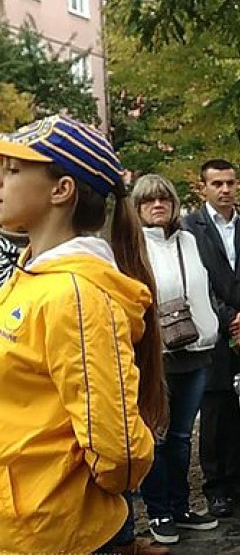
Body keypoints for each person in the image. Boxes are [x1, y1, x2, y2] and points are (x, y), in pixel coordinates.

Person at [0, 115, 165, 554]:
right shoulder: (32, 277)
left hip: (55, 531)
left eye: (13, 171)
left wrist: (71, 493)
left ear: (61, 190)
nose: (1, 179)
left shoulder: (76, 294)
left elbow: (120, 450)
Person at [132, 174, 220, 544]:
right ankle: (159, 511)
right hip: (156, 356)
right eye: (149, 201)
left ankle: (181, 506)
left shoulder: (190, 240)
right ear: (137, 209)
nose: (157, 206)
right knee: (157, 437)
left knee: (183, 437)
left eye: (163, 200)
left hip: (197, 348)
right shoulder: (132, 247)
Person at [183, 159, 240, 518]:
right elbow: (196, 281)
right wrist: (231, 317)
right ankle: (215, 486)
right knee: (216, 414)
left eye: (230, 182)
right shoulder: (189, 230)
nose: (225, 189)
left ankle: (237, 479)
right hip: (213, 331)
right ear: (204, 188)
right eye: (216, 183)